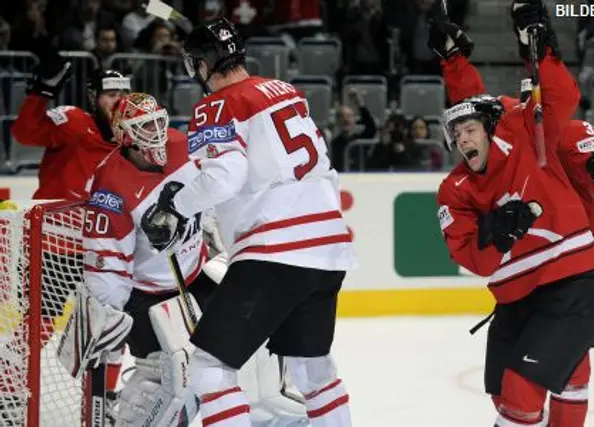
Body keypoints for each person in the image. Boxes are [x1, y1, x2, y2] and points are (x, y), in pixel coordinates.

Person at [139, 17, 357, 427]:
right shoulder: (284, 91)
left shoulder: (219, 104)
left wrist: (177, 204)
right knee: (314, 372)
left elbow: (225, 176)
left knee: (209, 368)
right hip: (328, 249)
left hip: (275, 253)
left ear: (203, 63)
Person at [57, 92, 308, 427]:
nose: (157, 131)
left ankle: (271, 412)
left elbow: (213, 186)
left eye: (159, 121)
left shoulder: (180, 144)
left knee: (254, 337)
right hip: (147, 295)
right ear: (126, 136)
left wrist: (208, 224)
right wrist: (107, 312)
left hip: (195, 275)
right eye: (145, 126)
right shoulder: (109, 188)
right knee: (169, 380)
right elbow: (109, 265)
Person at [430, 16, 594, 426]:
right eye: (459, 134)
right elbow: (470, 112)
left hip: (568, 275)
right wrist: (496, 233)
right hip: (516, 293)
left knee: (550, 383)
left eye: (473, 130)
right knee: (508, 395)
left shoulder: (535, 134)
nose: (465, 138)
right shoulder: (458, 186)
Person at [11, 45, 130, 201]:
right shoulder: (74, 122)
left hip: (95, 222)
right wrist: (40, 93)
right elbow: (25, 133)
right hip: (51, 219)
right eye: (112, 94)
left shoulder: (134, 144)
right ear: (93, 98)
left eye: (124, 94)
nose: (119, 100)